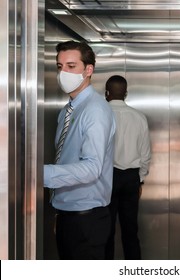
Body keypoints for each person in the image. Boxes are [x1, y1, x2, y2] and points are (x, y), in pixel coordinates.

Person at [44, 40, 116, 260]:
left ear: (88, 70)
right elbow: (65, 159)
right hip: (69, 214)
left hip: (86, 221)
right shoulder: (68, 110)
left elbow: (92, 168)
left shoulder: (94, 110)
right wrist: (60, 211)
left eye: (71, 66)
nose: (63, 72)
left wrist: (37, 173)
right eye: (60, 66)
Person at [104, 75, 151, 260]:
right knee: (130, 231)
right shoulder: (139, 117)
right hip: (131, 178)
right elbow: (145, 153)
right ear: (126, 94)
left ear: (106, 93)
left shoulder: (100, 114)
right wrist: (140, 179)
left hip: (106, 177)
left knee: (106, 231)